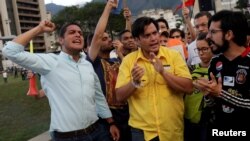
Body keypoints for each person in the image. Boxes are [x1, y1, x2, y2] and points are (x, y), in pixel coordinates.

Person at [2, 20, 120, 141]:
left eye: (80, 33)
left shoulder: (87, 65)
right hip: (67, 137)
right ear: (61, 40)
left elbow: (99, 97)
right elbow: (9, 51)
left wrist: (111, 123)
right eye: (72, 32)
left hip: (98, 132)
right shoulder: (50, 62)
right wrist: (40, 28)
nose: (78, 35)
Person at [115, 17, 193, 141]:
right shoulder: (129, 61)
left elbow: (189, 87)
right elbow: (119, 96)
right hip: (142, 133)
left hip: (171, 130)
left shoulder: (173, 56)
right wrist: (134, 82)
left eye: (155, 33)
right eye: (147, 35)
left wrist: (163, 72)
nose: (153, 39)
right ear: (137, 40)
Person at [195, 10, 250, 140]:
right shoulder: (215, 62)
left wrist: (220, 94)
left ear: (229, 34)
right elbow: (211, 105)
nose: (207, 37)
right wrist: (207, 93)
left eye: (213, 32)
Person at [87, 1, 130, 141]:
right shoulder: (92, 63)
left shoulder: (117, 60)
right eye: (104, 39)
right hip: (107, 119)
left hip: (128, 114)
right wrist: (108, 8)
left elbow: (131, 74)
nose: (109, 40)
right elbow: (98, 35)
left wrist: (121, 54)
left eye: (109, 37)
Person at [184, 32, 213, 141]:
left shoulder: (217, 70)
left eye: (204, 49)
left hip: (207, 121)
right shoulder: (190, 69)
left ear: (212, 47)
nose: (200, 53)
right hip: (188, 118)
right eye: (198, 49)